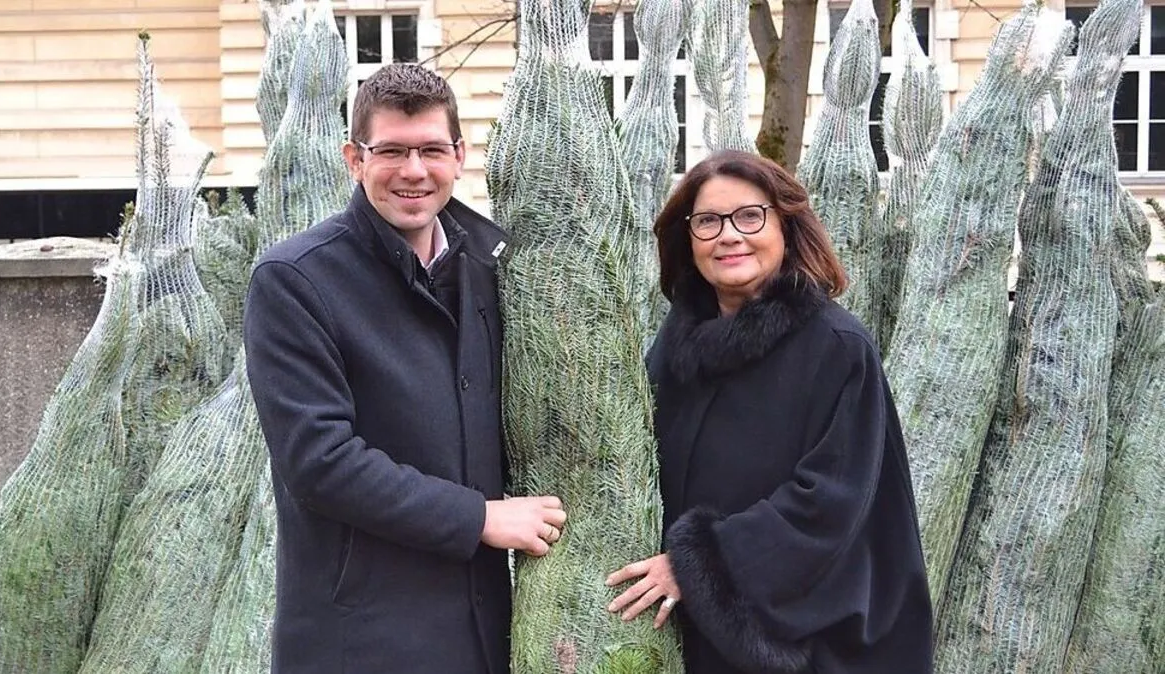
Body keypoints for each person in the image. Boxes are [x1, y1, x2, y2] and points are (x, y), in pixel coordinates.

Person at [243, 64, 566, 674]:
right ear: (354, 159)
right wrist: (480, 518)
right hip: (363, 638)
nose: (413, 171)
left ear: (460, 156)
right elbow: (320, 461)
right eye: (390, 150)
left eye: (431, 150)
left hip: (482, 631)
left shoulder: (490, 271)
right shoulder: (296, 281)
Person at [605, 150, 933, 673]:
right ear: (688, 240)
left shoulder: (836, 346)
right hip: (693, 634)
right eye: (708, 221)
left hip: (805, 640)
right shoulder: (678, 344)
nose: (729, 235)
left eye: (749, 216)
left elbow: (829, 502)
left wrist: (694, 567)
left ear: (785, 225)